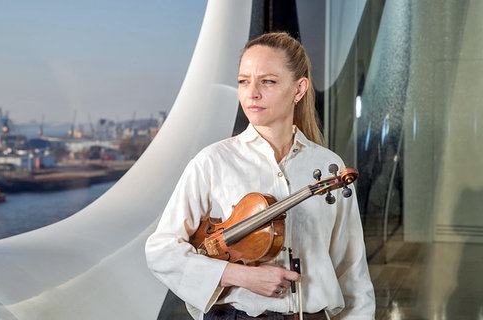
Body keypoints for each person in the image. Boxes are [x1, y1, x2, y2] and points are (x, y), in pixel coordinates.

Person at [145, 32, 375, 320]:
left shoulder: (329, 165)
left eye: (267, 81)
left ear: (299, 89)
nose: (252, 92)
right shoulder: (213, 162)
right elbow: (161, 250)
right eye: (244, 81)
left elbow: (351, 270)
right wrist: (238, 275)